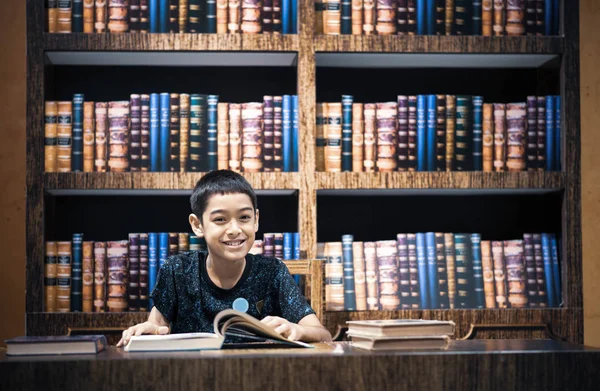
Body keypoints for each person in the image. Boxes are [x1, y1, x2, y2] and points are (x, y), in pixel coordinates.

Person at [117, 170, 332, 347]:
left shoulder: (273, 272)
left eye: (244, 218)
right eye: (220, 219)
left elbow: (323, 335)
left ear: (256, 220)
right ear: (197, 225)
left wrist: (297, 329)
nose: (234, 229)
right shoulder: (177, 271)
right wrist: (150, 331)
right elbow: (157, 326)